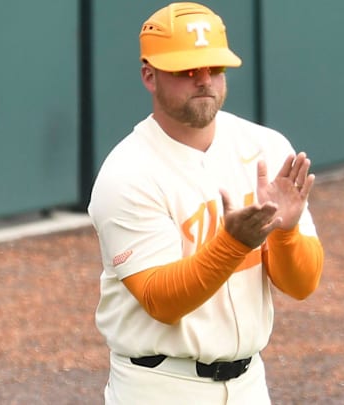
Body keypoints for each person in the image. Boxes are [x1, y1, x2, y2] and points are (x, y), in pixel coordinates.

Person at [88, 2, 324, 404]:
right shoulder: (126, 173)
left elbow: (302, 285)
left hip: (250, 383)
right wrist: (234, 243)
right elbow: (161, 301)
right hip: (160, 386)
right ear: (150, 76)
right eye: (187, 71)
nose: (205, 81)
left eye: (214, 69)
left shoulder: (265, 146)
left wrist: (285, 233)